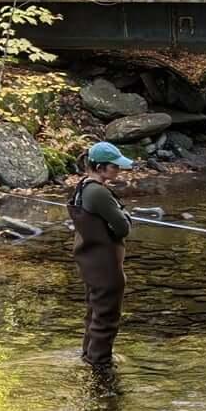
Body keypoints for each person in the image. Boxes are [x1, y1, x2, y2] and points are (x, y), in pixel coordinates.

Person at [68, 141, 134, 368]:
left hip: (89, 261)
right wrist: (124, 215)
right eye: (114, 166)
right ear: (99, 167)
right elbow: (123, 227)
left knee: (94, 313)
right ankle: (100, 366)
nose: (119, 170)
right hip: (105, 265)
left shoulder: (82, 187)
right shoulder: (98, 192)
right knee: (106, 318)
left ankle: (89, 357)